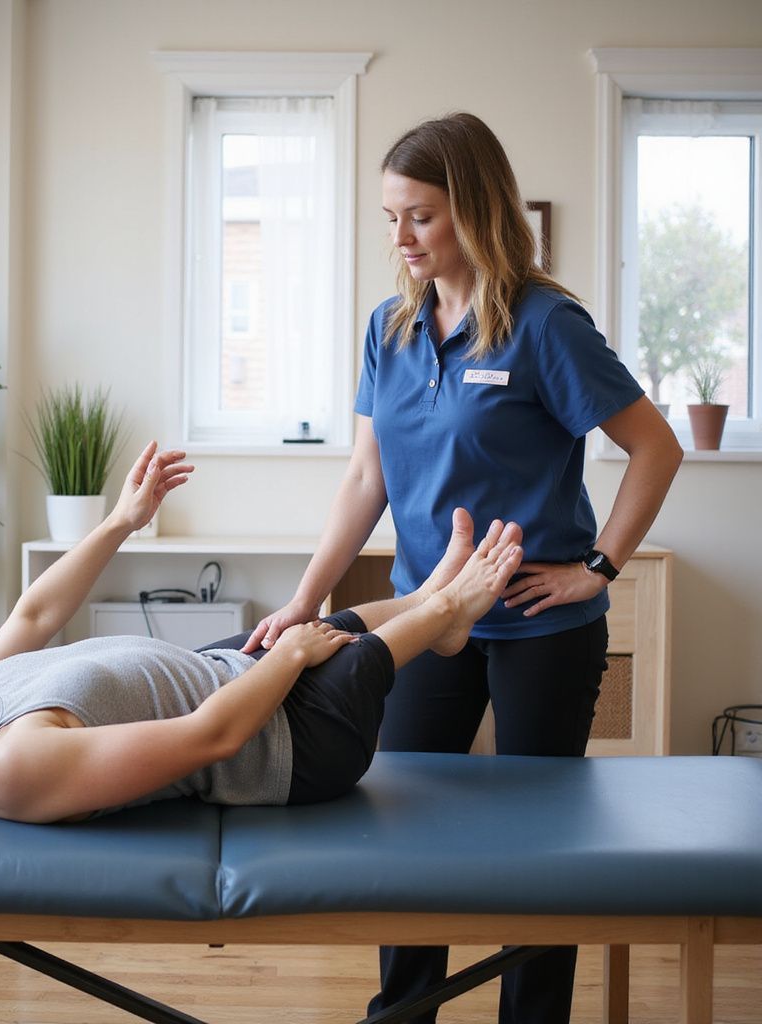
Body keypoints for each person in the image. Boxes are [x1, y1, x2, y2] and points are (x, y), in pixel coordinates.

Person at [242, 112, 684, 1024]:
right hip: (424, 619)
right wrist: (304, 597)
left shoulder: (545, 324)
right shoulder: (389, 329)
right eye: (390, 217)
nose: (400, 238)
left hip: (540, 627)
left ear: (474, 210)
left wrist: (598, 567)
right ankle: (404, 1012)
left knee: (542, 843)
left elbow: (655, 446)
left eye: (420, 217)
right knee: (404, 824)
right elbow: (366, 476)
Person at [0, 440, 523, 826]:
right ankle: (446, 614)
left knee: (313, 627)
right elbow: (206, 743)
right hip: (289, 747)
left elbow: (34, 615)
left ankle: (432, 604)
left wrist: (121, 522)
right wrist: (289, 657)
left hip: (234, 678)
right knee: (329, 644)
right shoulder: (5, 768)